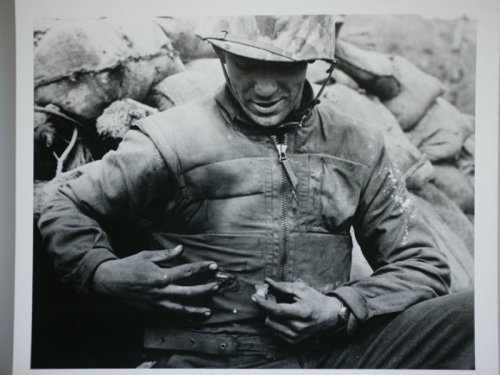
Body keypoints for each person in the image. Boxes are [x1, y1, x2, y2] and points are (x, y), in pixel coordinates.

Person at [38, 15, 474, 369]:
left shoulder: (358, 143)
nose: (265, 89)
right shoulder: (169, 138)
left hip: (331, 356)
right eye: (248, 65)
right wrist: (102, 272)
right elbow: (66, 202)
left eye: (283, 67)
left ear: (313, 64)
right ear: (223, 57)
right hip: (208, 359)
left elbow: (422, 265)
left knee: (476, 314)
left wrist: (342, 307)